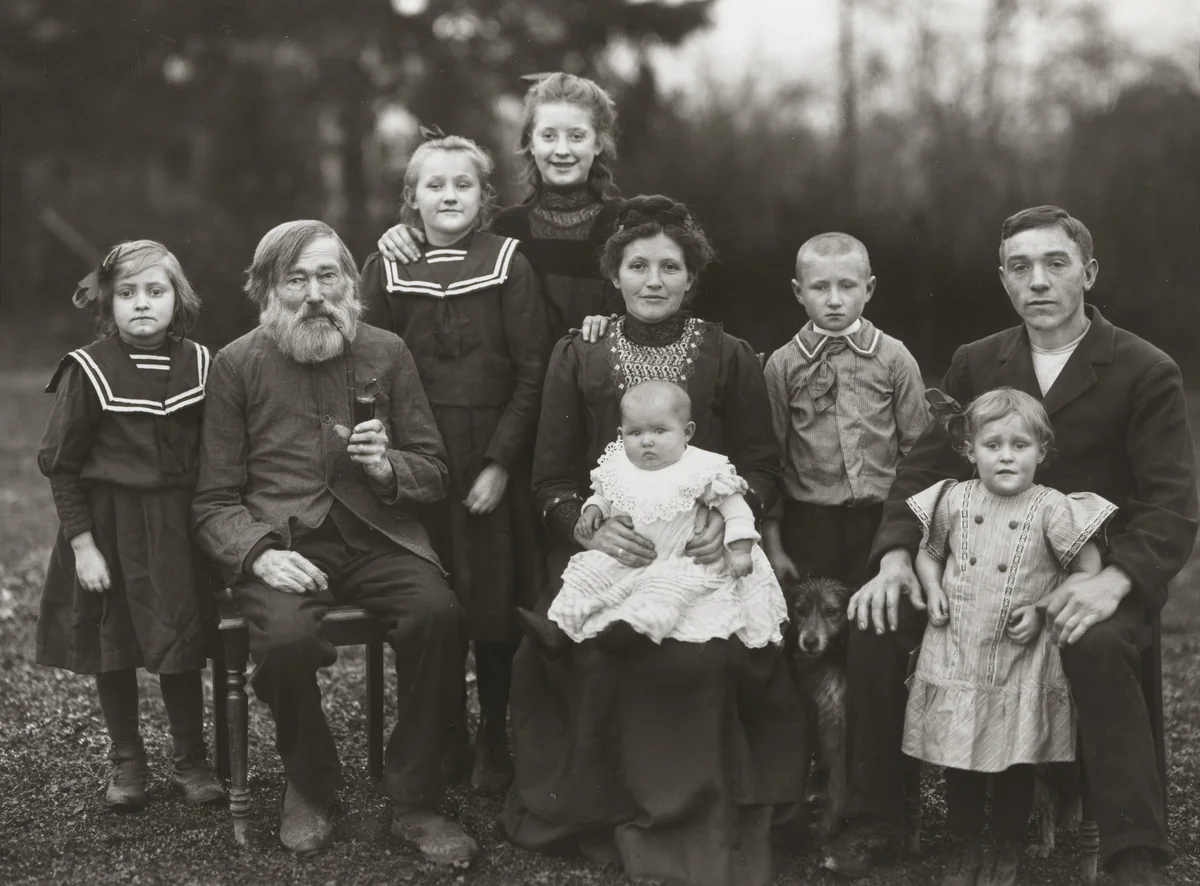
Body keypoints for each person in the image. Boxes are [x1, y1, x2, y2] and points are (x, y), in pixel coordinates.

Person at [825, 206, 1199, 886]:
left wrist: (1115, 581)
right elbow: (924, 470)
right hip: (970, 569)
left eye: (1056, 263)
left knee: (1098, 638)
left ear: (1087, 272)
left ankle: (1132, 849)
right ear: (1003, 280)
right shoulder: (978, 360)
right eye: (1020, 267)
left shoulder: (1145, 369)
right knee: (874, 619)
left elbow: (1170, 505)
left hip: (1085, 571)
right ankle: (875, 821)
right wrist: (894, 558)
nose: (1039, 281)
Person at [503, 195, 807, 886]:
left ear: (690, 278)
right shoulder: (575, 352)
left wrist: (724, 518)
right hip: (604, 549)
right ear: (614, 273)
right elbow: (548, 474)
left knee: (699, 660)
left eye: (670, 266)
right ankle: (599, 804)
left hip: (703, 548)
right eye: (637, 264)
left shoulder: (729, 355)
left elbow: (761, 465)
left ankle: (695, 810)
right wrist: (584, 521)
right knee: (584, 647)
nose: (653, 279)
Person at [192, 220, 475, 866]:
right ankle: (311, 782)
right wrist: (260, 554)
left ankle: (415, 798)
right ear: (268, 291)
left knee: (437, 615)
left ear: (351, 284)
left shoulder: (387, 352)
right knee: (287, 642)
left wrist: (386, 469)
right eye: (297, 279)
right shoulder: (237, 365)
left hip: (379, 534)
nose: (315, 293)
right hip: (284, 543)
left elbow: (432, 469)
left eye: (328, 276)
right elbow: (212, 499)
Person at [360, 131, 550, 792]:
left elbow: (533, 373)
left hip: (488, 458)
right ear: (411, 199)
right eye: (433, 185)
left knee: (494, 604)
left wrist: (501, 464)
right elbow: (365, 367)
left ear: (484, 197)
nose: (448, 195)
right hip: (416, 457)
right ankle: (439, 730)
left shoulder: (509, 264)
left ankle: (493, 734)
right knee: (426, 603)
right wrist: (387, 457)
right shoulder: (385, 265)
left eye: (461, 184)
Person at [36, 240, 224, 812]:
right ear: (109, 303)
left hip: (173, 527)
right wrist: (83, 544)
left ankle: (191, 759)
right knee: (112, 644)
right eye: (127, 293)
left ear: (178, 298)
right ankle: (127, 759)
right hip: (107, 528)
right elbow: (63, 466)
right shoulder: (90, 369)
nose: (141, 304)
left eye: (155, 291)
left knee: (180, 640)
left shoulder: (200, 363)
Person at [905, 388, 1115, 886]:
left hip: (1019, 653)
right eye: (992, 444)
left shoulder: (1053, 508)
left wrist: (1044, 608)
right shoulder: (953, 498)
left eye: (1020, 445)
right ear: (969, 449)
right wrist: (932, 586)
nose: (1005, 456)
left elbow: (1088, 568)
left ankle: (1005, 842)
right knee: (960, 754)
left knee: (1014, 756)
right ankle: (963, 841)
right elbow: (930, 553)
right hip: (958, 647)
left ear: (1041, 452)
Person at [518, 380, 786, 653]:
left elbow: (736, 510)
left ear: (687, 432)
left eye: (659, 431)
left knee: (662, 599)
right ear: (621, 434)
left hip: (676, 560)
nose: (647, 441)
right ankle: (558, 629)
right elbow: (606, 495)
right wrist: (593, 509)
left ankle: (628, 633)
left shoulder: (700, 469)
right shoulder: (620, 465)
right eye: (635, 433)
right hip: (626, 557)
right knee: (586, 581)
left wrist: (740, 550)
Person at [376, 72, 623, 339]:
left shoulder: (624, 224)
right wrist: (409, 234)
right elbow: (449, 255)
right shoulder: (507, 228)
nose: (562, 150)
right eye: (549, 136)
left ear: (597, 143)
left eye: (576, 136)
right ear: (530, 141)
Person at [762, 232, 928, 589]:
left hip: (881, 521)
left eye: (847, 286)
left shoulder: (894, 357)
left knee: (875, 621)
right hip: (807, 524)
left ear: (868, 289)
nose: (834, 300)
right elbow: (770, 458)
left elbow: (919, 450)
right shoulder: (782, 364)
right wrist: (773, 544)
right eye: (820, 288)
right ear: (798, 292)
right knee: (814, 625)